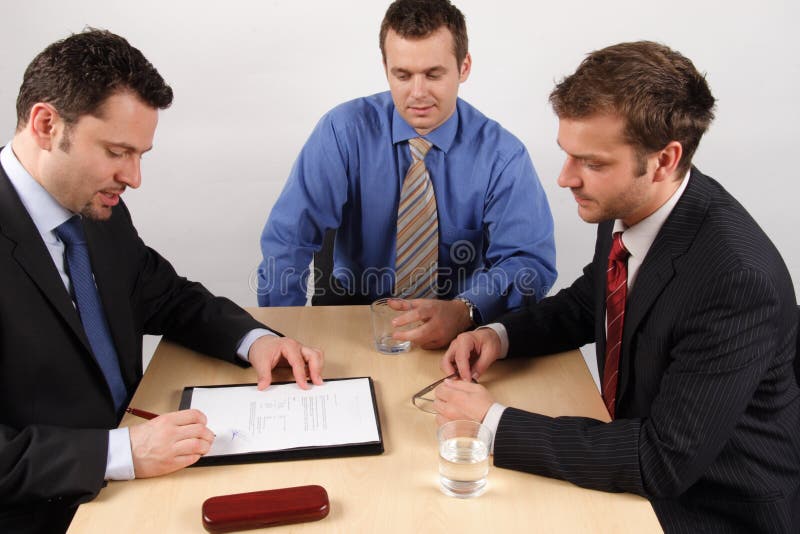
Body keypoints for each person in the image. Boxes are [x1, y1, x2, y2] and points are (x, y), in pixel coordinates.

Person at [436, 41, 800, 532]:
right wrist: (498, 336)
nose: (566, 179)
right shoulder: (632, 205)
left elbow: (661, 462)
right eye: (568, 155)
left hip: (708, 507)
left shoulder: (735, 281)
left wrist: (495, 423)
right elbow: (592, 299)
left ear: (664, 159)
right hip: (636, 460)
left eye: (592, 163)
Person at [0, 30, 324, 534]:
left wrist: (256, 340)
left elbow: (166, 296)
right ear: (46, 124)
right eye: (116, 151)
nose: (133, 178)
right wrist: (119, 451)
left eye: (140, 156)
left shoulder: (92, 207)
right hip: (51, 508)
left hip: (146, 469)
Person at [257, 0, 556, 349]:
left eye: (433, 74)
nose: (417, 93)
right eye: (402, 75)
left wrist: (466, 310)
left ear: (464, 66)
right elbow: (288, 238)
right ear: (385, 67)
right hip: (355, 311)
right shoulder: (343, 131)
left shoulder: (502, 156)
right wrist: (280, 334)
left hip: (458, 320)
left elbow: (529, 262)